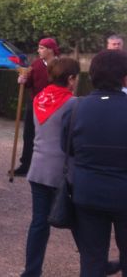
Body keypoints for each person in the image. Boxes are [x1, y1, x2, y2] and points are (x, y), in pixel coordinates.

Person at [62, 50, 127, 276]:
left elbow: (66, 148)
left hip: (87, 193)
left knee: (91, 261)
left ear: (91, 76)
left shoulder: (75, 108)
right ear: (125, 78)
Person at [21, 58, 80, 277]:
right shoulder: (73, 103)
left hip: (38, 168)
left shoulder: (39, 98)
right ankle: (95, 263)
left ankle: (31, 271)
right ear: (71, 78)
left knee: (39, 223)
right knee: (78, 219)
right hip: (63, 171)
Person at [15, 38, 60, 176]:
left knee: (51, 136)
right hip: (34, 104)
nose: (38, 50)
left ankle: (50, 167)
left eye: (41, 48)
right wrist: (23, 80)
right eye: (39, 47)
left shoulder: (61, 65)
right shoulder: (36, 64)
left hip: (54, 105)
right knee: (29, 135)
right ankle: (26, 164)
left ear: (50, 49)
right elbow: (29, 83)